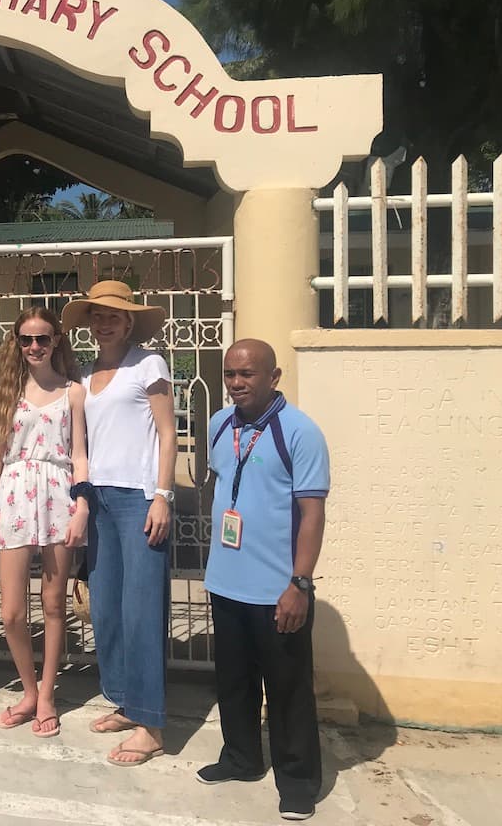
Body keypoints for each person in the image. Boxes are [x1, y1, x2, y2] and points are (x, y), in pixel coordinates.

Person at [197, 339, 329, 822]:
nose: (236, 383)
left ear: (274, 377)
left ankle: (297, 782)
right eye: (230, 373)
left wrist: (300, 583)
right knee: (234, 683)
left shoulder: (299, 433)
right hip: (226, 581)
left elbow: (312, 515)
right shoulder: (219, 426)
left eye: (247, 374)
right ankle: (241, 758)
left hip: (278, 590)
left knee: (289, 689)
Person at [61, 280, 177, 766]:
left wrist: (163, 496)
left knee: (141, 610)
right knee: (105, 606)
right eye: (97, 315)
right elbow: (84, 443)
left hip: (139, 498)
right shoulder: (87, 376)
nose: (104, 322)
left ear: (130, 321)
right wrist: (83, 499)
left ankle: (151, 724)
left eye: (114, 315)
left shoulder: (148, 364)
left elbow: (170, 433)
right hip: (101, 500)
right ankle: (127, 701)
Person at [0, 306, 90, 738]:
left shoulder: (73, 392)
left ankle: (46, 694)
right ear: (17, 342)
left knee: (55, 603)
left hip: (59, 493)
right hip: (15, 496)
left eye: (42, 338)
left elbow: (80, 453)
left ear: (57, 340)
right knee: (10, 612)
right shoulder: (8, 390)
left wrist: (82, 505)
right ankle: (28, 688)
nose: (35, 346)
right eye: (26, 339)